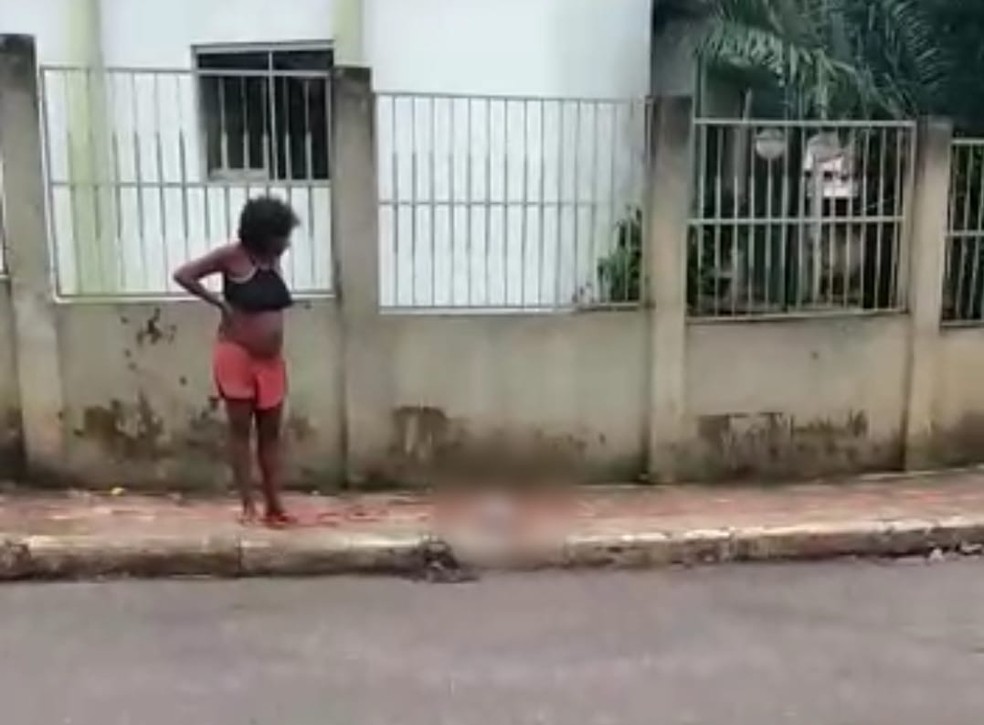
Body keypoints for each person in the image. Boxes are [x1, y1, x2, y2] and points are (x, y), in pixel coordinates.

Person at [173, 196, 298, 526]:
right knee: (241, 431)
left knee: (271, 434)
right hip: (237, 355)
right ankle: (247, 505)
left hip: (271, 361)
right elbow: (184, 275)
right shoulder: (232, 257)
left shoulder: (273, 260)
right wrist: (220, 304)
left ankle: (274, 504)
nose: (285, 243)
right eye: (280, 236)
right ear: (262, 234)